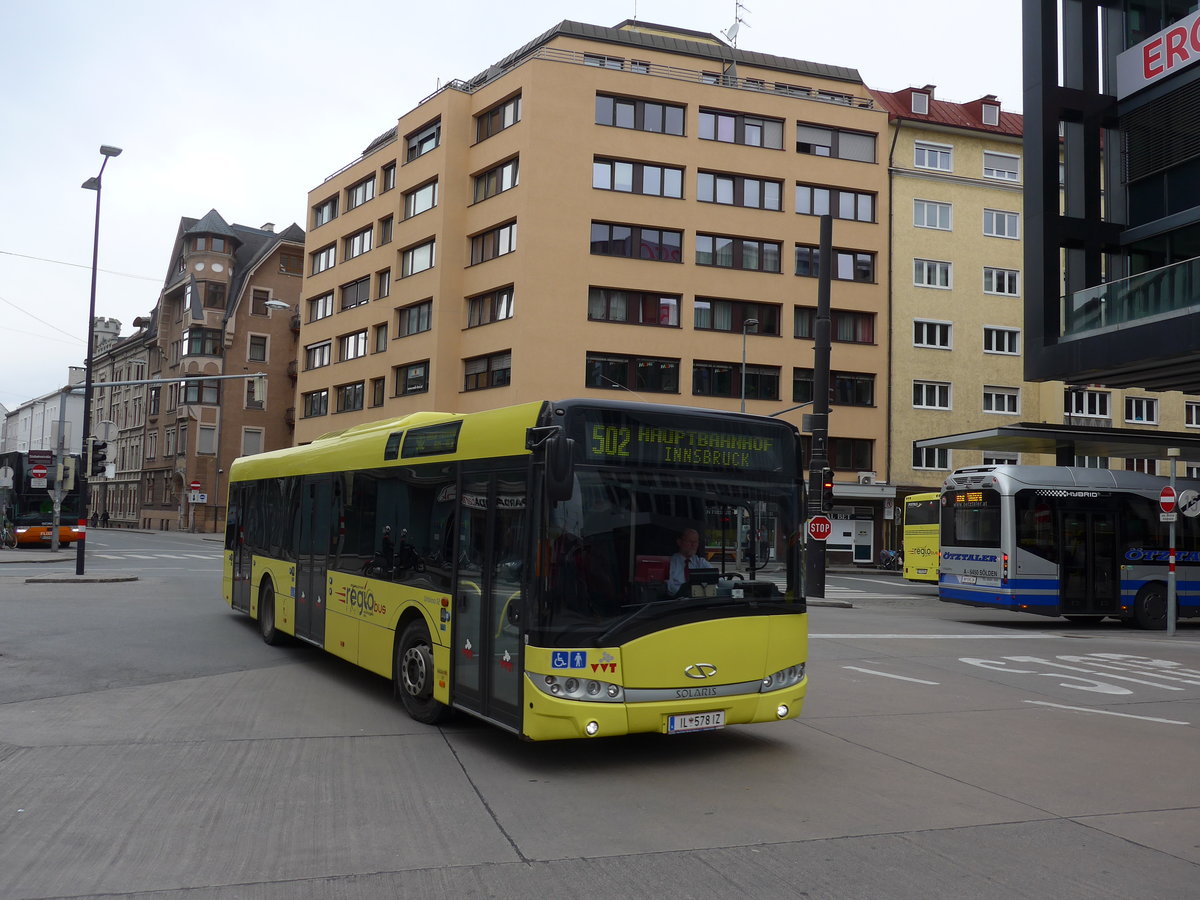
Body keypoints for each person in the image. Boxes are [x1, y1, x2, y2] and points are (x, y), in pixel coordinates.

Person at [666, 527, 714, 595]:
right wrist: (685, 594)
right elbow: (669, 587)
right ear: (679, 542)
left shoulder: (700, 562)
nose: (693, 545)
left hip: (699, 599)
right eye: (689, 541)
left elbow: (715, 576)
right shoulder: (670, 563)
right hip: (677, 600)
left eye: (695, 542)